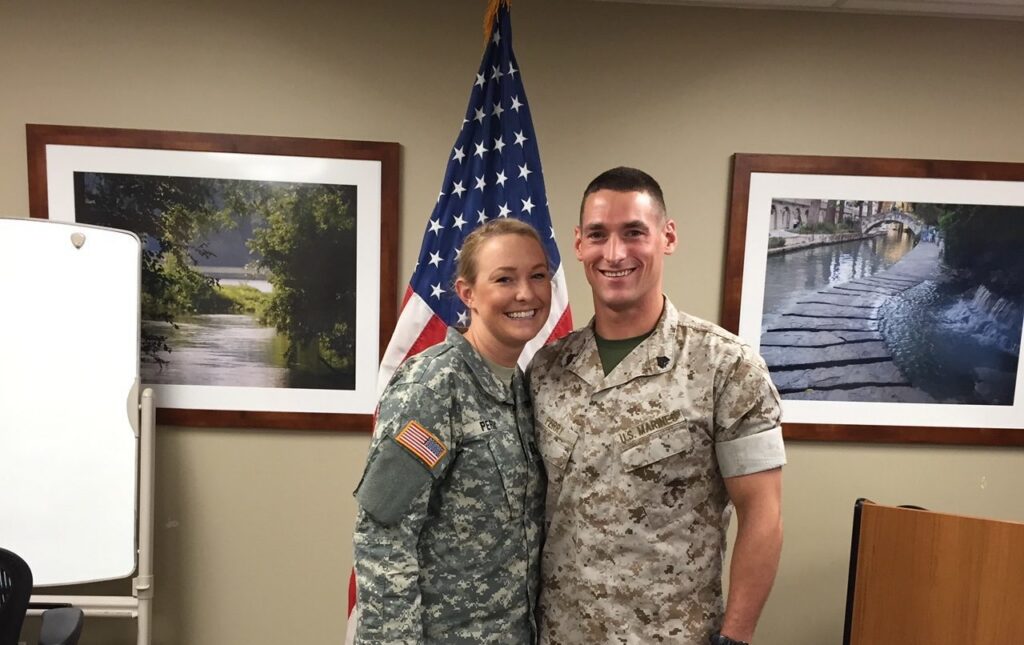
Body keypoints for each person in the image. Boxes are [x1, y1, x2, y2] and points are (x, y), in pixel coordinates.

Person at [528, 167, 786, 645]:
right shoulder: (547, 369)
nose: (615, 253)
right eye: (599, 235)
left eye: (634, 233)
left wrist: (736, 638)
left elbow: (763, 514)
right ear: (579, 244)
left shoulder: (725, 366)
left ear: (667, 237)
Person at [352, 219, 551, 644]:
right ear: (468, 294)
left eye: (538, 275)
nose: (525, 293)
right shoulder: (433, 385)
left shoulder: (522, 388)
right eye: (504, 279)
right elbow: (383, 535)